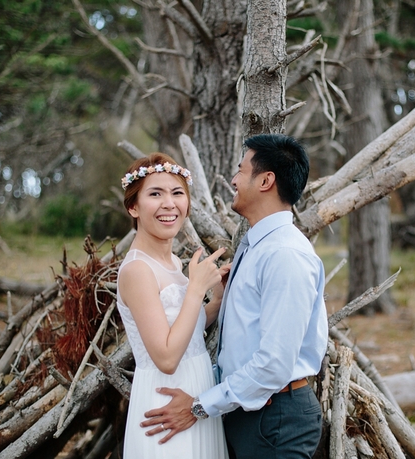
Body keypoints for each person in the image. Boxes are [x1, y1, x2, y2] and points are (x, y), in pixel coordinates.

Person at [141, 134, 327, 459]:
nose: (233, 179)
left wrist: (199, 405)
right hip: (250, 413)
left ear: (266, 180)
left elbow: (274, 364)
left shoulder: (284, 254)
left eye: (241, 171)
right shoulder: (255, 245)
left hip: (275, 420)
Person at [116, 152, 228, 458]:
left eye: (177, 193)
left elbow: (182, 330)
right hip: (165, 404)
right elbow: (166, 357)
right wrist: (195, 289)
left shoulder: (172, 261)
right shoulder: (137, 270)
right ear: (134, 207)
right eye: (155, 194)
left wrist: (216, 300)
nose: (169, 204)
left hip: (194, 393)